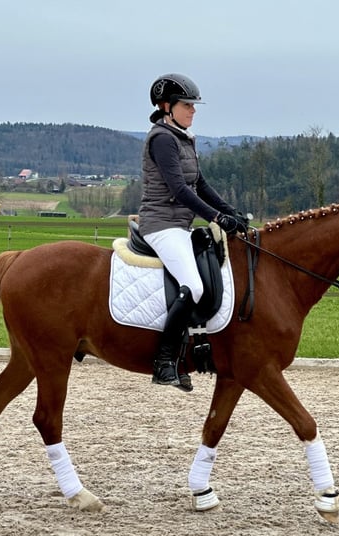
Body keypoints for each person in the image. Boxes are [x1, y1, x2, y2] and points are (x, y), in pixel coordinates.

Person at [138, 72, 248, 391]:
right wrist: (216, 217)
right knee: (193, 286)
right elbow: (180, 190)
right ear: (166, 106)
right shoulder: (162, 139)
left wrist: (230, 212)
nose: (193, 110)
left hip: (180, 224)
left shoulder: (186, 137)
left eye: (193, 105)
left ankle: (193, 351)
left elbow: (199, 184)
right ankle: (164, 361)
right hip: (161, 224)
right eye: (187, 105)